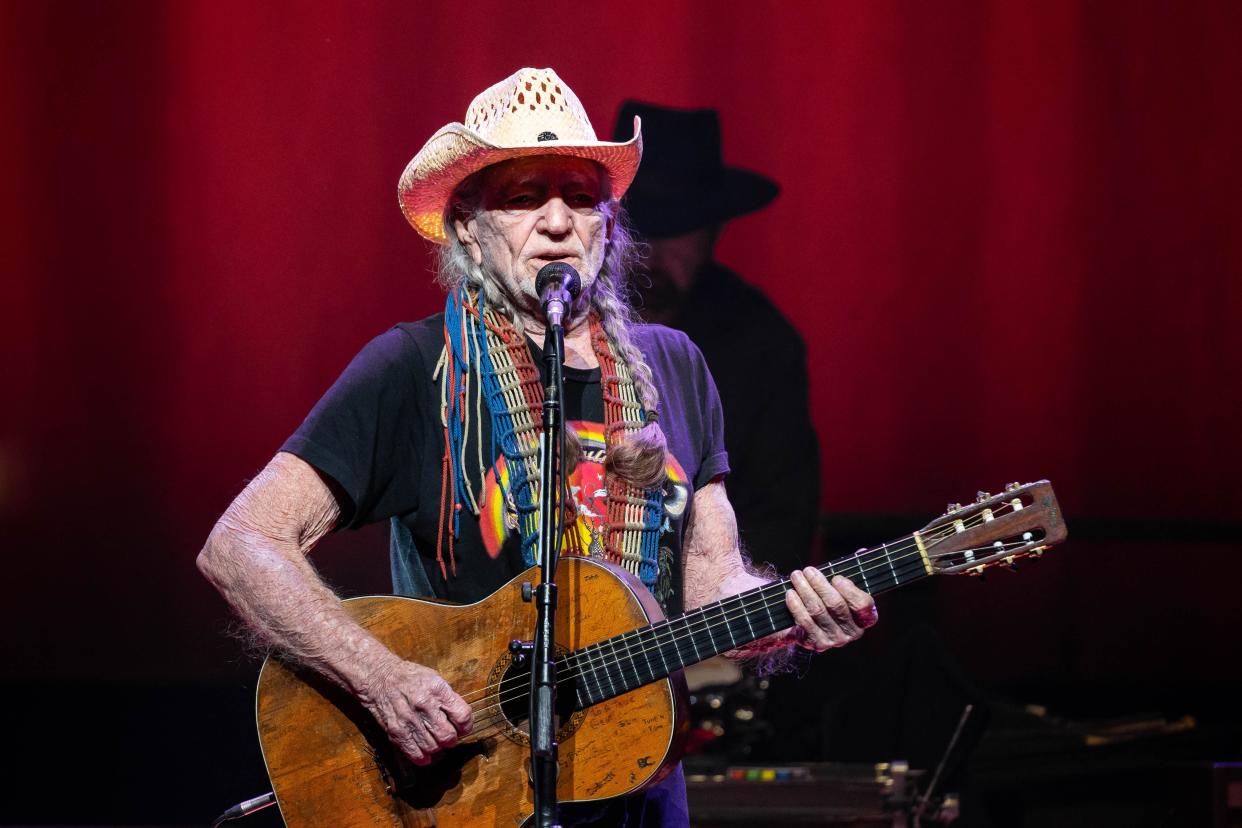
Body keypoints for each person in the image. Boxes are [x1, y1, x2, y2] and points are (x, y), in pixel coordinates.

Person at [196, 67, 877, 826]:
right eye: (523, 197)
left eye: (581, 198)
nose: (558, 221)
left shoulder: (675, 365)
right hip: (459, 794)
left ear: (609, 225)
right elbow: (242, 543)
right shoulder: (414, 370)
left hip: (639, 792)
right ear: (467, 228)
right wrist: (381, 679)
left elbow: (713, 585)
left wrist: (785, 615)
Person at [612, 102, 820, 576]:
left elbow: (781, 525)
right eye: (636, 226)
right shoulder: (552, 323)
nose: (649, 251)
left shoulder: (760, 344)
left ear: (714, 231)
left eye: (679, 228)